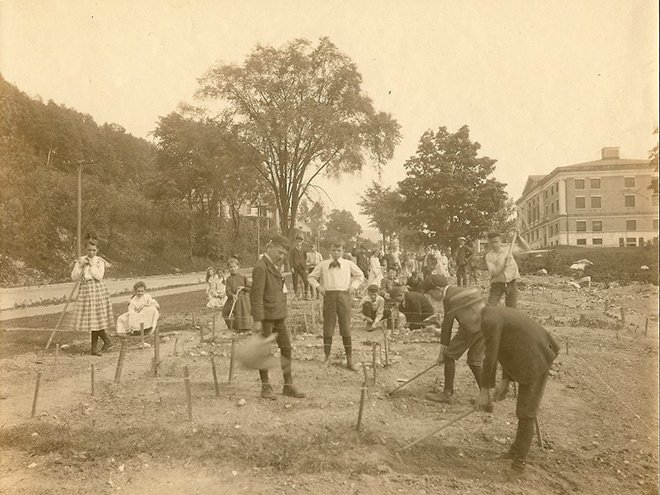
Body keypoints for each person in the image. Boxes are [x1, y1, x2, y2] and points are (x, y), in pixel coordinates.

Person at [472, 303, 560, 475]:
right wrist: (506, 380)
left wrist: (484, 391)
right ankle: (515, 451)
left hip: (536, 357)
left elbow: (490, 355)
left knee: (526, 411)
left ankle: (520, 461)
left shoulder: (489, 320)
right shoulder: (492, 313)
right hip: (526, 353)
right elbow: (507, 346)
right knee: (524, 411)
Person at [250, 236, 305, 400]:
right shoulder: (261, 267)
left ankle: (288, 385)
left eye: (284, 254)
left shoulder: (273, 266)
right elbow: (256, 296)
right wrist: (258, 320)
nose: (281, 257)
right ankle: (265, 386)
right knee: (265, 351)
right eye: (280, 252)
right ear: (270, 247)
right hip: (266, 317)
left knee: (286, 348)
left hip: (278, 316)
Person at [423, 281, 485, 404]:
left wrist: (442, 353)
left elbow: (447, 327)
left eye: (431, 294)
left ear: (437, 288)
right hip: (486, 324)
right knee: (474, 361)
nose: (432, 298)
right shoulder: (459, 290)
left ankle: (447, 394)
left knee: (449, 355)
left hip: (471, 328)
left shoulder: (450, 298)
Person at [309, 241, 365, 370]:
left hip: (344, 296)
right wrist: (319, 287)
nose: (336, 252)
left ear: (343, 251)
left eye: (338, 250)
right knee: (328, 326)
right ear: (330, 249)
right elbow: (311, 277)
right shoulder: (323, 264)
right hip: (329, 296)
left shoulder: (348, 264)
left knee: (345, 326)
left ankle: (350, 359)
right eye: (334, 250)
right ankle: (327, 357)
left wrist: (353, 287)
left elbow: (360, 275)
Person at [70, 237, 114, 356]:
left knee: (96, 320)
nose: (91, 253)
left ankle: (95, 348)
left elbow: (99, 276)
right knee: (92, 320)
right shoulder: (80, 260)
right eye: (89, 250)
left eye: (94, 250)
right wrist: (81, 266)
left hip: (97, 290)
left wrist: (91, 265)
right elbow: (74, 277)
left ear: (97, 250)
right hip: (85, 290)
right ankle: (106, 341)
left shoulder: (99, 261)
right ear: (85, 249)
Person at [485, 231, 530, 308]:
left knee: (512, 309)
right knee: (489, 307)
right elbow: (494, 272)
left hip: (511, 283)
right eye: (492, 242)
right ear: (489, 243)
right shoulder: (489, 256)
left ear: (501, 241)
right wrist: (504, 264)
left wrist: (518, 237)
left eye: (496, 242)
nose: (494, 244)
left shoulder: (508, 249)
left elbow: (526, 249)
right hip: (497, 285)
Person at [223, 257, 251, 332]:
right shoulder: (228, 279)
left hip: (243, 297)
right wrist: (232, 295)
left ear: (238, 267)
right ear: (228, 269)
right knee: (225, 312)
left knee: (242, 310)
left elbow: (250, 288)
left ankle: (245, 327)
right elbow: (227, 290)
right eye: (231, 267)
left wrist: (243, 287)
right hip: (233, 298)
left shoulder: (243, 277)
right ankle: (233, 326)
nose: (233, 268)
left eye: (234, 266)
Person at [289, 235, 309, 299]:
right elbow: (290, 259)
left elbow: (305, 257)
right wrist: (291, 267)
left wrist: (304, 265)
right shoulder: (293, 250)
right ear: (296, 242)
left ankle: (306, 295)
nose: (298, 243)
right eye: (297, 242)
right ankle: (296, 295)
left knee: (306, 281)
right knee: (295, 281)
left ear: (301, 242)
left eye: (299, 242)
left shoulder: (303, 250)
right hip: (295, 268)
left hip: (302, 267)